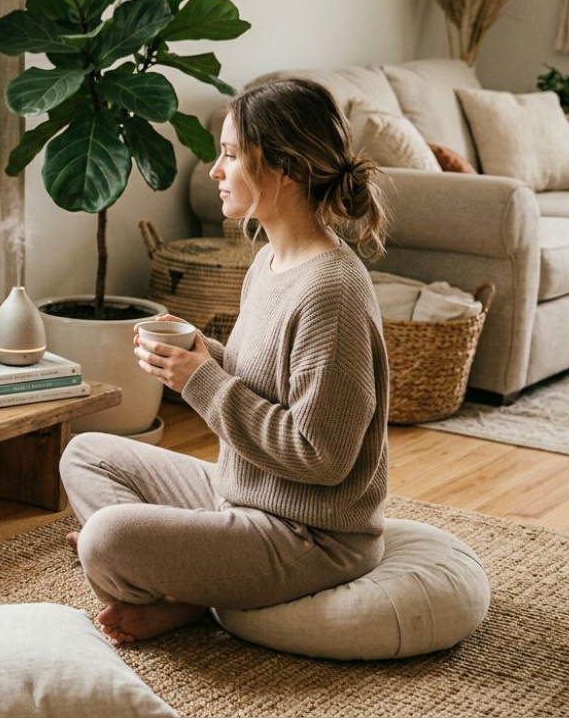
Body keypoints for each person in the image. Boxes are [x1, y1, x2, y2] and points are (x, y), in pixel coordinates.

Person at [60, 78, 391, 644]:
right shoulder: (267, 262)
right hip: (239, 492)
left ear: (282, 170)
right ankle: (192, 579)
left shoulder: (332, 291)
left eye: (232, 155)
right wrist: (196, 356)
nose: (215, 170)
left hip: (311, 535)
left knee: (106, 539)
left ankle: (187, 593)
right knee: (84, 452)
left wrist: (203, 382)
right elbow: (254, 379)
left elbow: (324, 455)